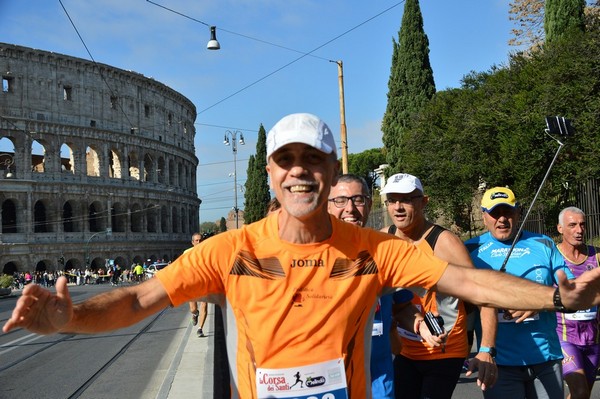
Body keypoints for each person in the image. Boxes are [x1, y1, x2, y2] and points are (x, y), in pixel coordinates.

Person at [5, 113, 600, 399]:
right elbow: (140, 296)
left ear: (332, 171)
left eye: (312, 161)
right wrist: (74, 318)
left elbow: (470, 283)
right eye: (286, 161)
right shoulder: (229, 249)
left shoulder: (373, 249)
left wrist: (558, 296)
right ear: (269, 173)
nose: (299, 172)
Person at [380, 173, 497, 398]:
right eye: (392, 200)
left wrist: (486, 349)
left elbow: (484, 295)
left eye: (406, 199)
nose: (398, 207)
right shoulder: (384, 239)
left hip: (444, 351)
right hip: (404, 350)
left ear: (424, 201)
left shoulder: (444, 243)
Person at [465, 187, 574, 399]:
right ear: (483, 216)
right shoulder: (469, 249)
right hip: (499, 363)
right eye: (495, 213)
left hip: (545, 358)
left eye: (508, 212)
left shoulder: (543, 243)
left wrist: (538, 301)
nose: (502, 219)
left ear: (518, 213)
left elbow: (571, 291)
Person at [327, 173, 399, 398]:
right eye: (340, 200)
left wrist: (419, 324)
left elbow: (404, 305)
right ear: (326, 206)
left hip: (377, 380)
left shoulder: (388, 250)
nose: (350, 208)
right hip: (328, 381)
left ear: (368, 204)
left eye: (358, 199)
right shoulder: (310, 255)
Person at [555, 207, 600, 399]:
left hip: (593, 338)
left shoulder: (596, 256)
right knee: (580, 391)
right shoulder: (553, 256)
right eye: (572, 225)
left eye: (582, 224)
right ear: (560, 228)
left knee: (582, 395)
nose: (579, 230)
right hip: (564, 337)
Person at [187, 232, 208, 337]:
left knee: (204, 304)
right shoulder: (187, 253)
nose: (199, 242)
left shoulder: (208, 253)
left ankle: (200, 329)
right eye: (197, 240)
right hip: (192, 283)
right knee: (193, 308)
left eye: (201, 240)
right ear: (192, 242)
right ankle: (195, 314)